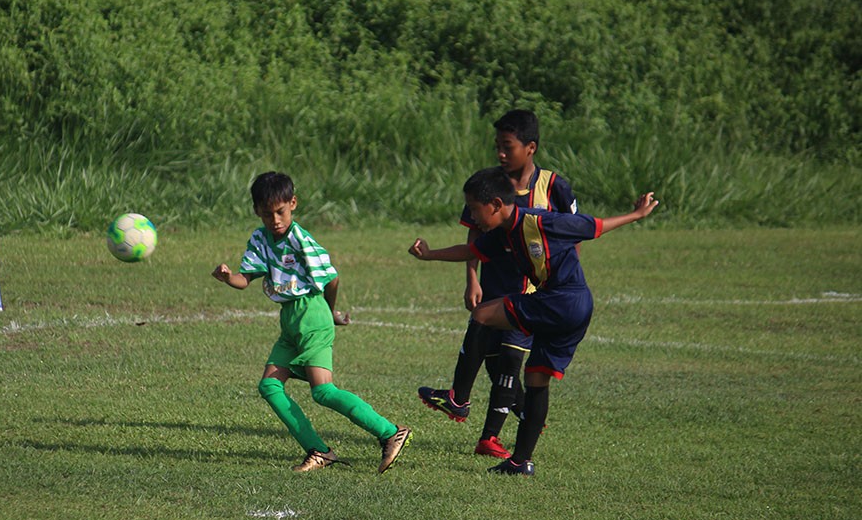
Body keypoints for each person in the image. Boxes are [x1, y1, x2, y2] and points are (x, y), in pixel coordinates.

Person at [409, 166, 658, 476]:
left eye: (475, 209)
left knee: (483, 315)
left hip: (561, 300)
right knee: (537, 379)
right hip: (575, 308)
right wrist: (430, 255)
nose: (472, 217)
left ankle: (458, 398)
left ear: (496, 204)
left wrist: (636, 215)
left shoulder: (539, 221)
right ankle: (520, 461)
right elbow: (471, 250)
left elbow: (593, 226)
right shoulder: (501, 232)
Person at [213, 171, 411, 473]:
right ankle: (319, 451)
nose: (275, 220)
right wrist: (228, 278)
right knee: (269, 386)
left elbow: (331, 278)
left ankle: (389, 432)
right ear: (257, 212)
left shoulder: (300, 239)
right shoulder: (259, 238)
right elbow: (246, 278)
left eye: (280, 212)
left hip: (312, 315)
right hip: (290, 320)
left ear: (293, 204)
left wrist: (329, 313)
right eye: (268, 214)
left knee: (323, 392)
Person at [417, 110, 578, 459]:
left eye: (508, 147)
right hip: (494, 284)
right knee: (494, 361)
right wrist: (471, 278)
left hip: (531, 292)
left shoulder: (553, 187)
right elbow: (474, 233)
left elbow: (573, 234)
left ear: (530, 147)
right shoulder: (489, 185)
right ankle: (521, 410)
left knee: (509, 360)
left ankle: (489, 433)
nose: (501, 154)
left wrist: (560, 278)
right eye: (498, 147)